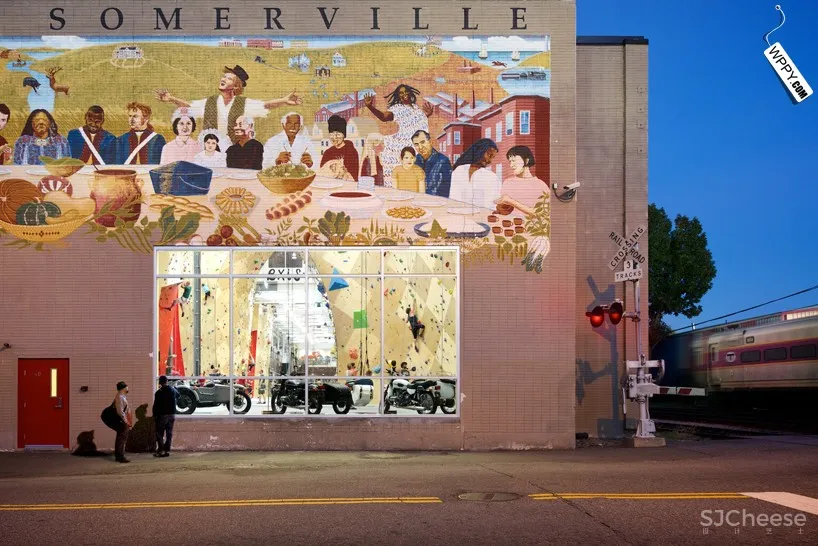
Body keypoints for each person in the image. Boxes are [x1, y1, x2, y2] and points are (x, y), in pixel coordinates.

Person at [154, 65, 301, 144]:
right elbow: (190, 107)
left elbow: (265, 105)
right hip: (210, 149)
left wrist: (284, 101)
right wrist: (171, 98)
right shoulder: (210, 102)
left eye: (229, 78)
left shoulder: (243, 104)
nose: (223, 79)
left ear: (236, 86)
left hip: (234, 151)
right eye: (223, 76)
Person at [363, 84, 433, 186]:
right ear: (398, 96)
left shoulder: (416, 108)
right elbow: (384, 117)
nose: (404, 94)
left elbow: (415, 123)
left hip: (417, 147)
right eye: (401, 93)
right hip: (402, 145)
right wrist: (370, 107)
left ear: (410, 92)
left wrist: (426, 115)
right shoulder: (398, 108)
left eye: (405, 91)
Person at [494, 145, 549, 217]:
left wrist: (511, 201)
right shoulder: (507, 183)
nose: (511, 165)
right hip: (508, 226)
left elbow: (543, 213)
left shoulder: (541, 185)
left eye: (514, 161)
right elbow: (503, 210)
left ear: (526, 160)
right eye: (510, 161)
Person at [449, 138, 501, 210]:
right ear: (479, 151)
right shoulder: (459, 170)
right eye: (489, 155)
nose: (489, 161)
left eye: (492, 157)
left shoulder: (491, 177)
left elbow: (491, 205)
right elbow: (453, 199)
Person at [412, 130, 452, 198]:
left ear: (430, 142)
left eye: (423, 142)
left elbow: (444, 192)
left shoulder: (443, 162)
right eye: (416, 144)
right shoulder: (415, 161)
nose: (420, 147)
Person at [319, 115, 359, 180]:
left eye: (338, 134)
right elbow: (322, 173)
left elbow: (354, 177)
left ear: (344, 135)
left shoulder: (351, 151)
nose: (334, 138)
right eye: (331, 134)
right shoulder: (327, 153)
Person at [152, 375, 178, 458]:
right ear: (167, 382)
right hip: (171, 415)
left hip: (162, 416)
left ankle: (161, 450)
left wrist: (155, 416)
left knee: (160, 433)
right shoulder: (173, 390)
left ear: (160, 383)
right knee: (169, 433)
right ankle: (167, 450)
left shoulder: (158, 393)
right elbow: (179, 395)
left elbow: (155, 406)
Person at [113, 381, 131, 463]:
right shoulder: (120, 397)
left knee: (121, 438)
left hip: (122, 420)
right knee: (121, 439)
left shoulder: (122, 396)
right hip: (122, 421)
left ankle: (119, 455)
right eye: (127, 386)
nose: (128, 388)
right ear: (123, 388)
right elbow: (120, 411)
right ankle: (120, 456)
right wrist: (125, 421)